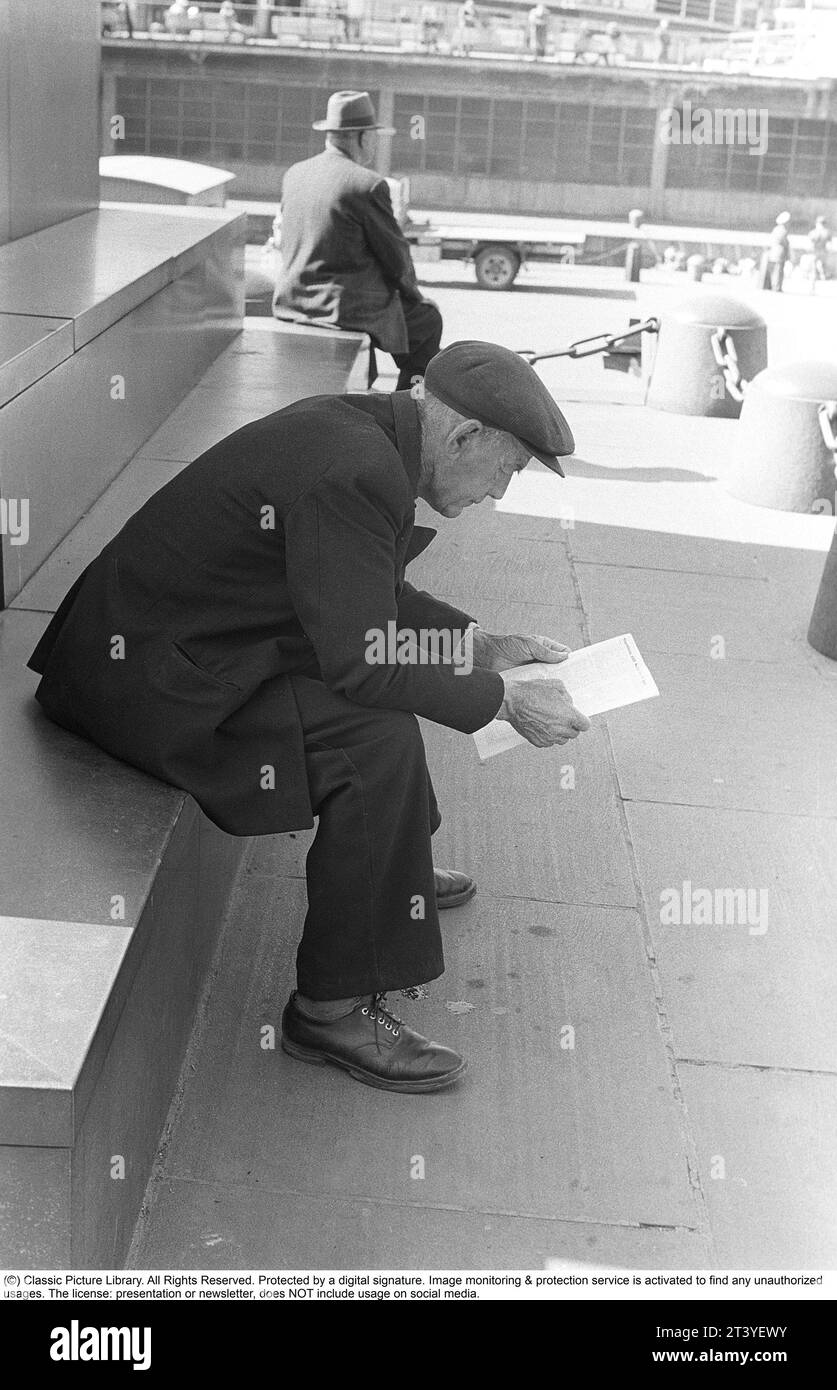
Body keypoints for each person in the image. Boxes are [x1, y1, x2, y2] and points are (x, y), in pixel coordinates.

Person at [26, 342, 588, 1095]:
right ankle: (330, 1010)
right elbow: (364, 657)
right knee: (370, 735)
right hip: (141, 683)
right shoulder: (354, 470)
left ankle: (394, 874)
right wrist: (504, 702)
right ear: (461, 438)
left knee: (377, 709)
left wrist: (479, 644)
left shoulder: (365, 435)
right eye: (506, 470)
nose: (499, 493)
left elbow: (364, 595)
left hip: (168, 649)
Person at [274, 91, 443, 391]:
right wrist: (415, 297)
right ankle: (409, 407)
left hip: (292, 300)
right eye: (373, 135)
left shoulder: (295, 174)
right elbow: (396, 257)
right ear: (362, 137)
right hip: (340, 308)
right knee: (427, 322)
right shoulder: (367, 184)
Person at [762, 210, 790, 292]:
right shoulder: (782, 230)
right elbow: (785, 242)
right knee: (778, 271)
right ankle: (777, 287)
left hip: (774, 252)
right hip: (780, 253)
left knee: (775, 270)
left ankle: (774, 286)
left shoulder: (776, 229)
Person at [808, 214, 831, 281]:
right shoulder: (827, 232)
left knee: (813, 268)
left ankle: (813, 284)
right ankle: (823, 279)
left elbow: (810, 243)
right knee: (822, 267)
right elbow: (829, 244)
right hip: (823, 251)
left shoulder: (813, 232)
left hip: (815, 251)